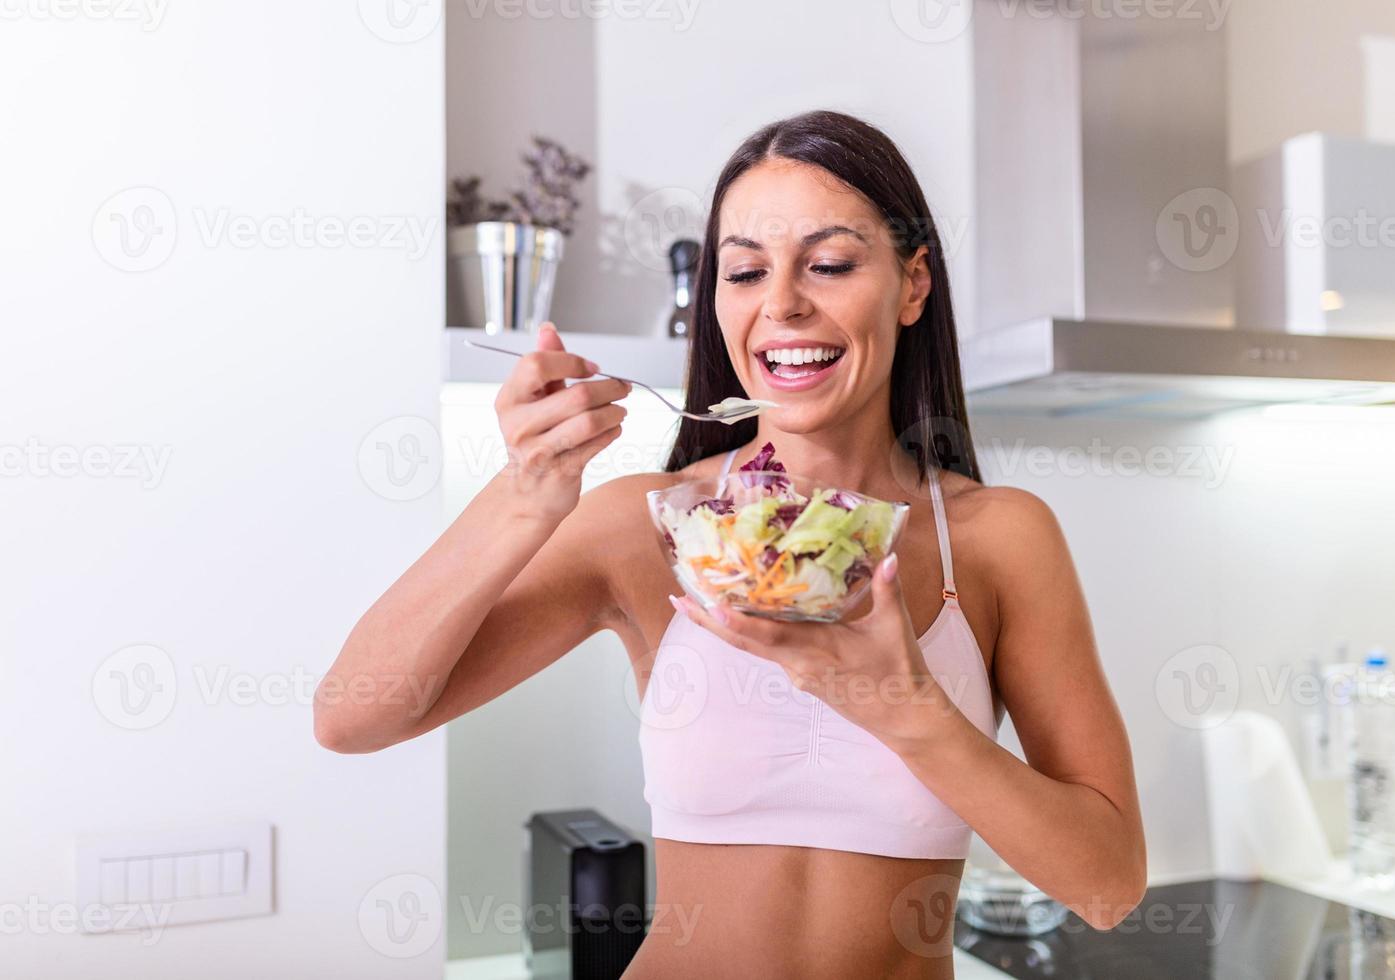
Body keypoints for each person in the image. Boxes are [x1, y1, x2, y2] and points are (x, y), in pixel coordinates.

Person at [316, 109, 1145, 979]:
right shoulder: (651, 524)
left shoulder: (1000, 539)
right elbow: (353, 716)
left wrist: (913, 714)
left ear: (912, 285)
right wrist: (524, 494)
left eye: (828, 264)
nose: (782, 303)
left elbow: (1108, 887)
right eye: (745, 271)